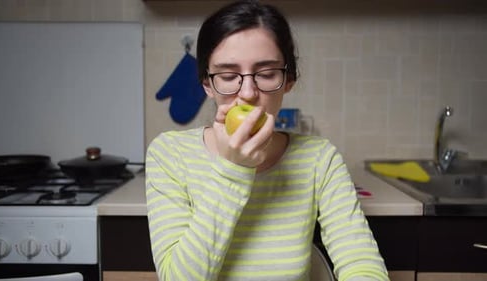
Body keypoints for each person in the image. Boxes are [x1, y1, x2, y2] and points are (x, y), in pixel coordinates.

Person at [145, 0, 389, 280]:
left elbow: (362, 263)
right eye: (227, 75)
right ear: (207, 85)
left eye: (266, 74)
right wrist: (233, 170)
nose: (247, 93)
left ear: (288, 81)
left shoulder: (319, 158)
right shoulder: (169, 154)